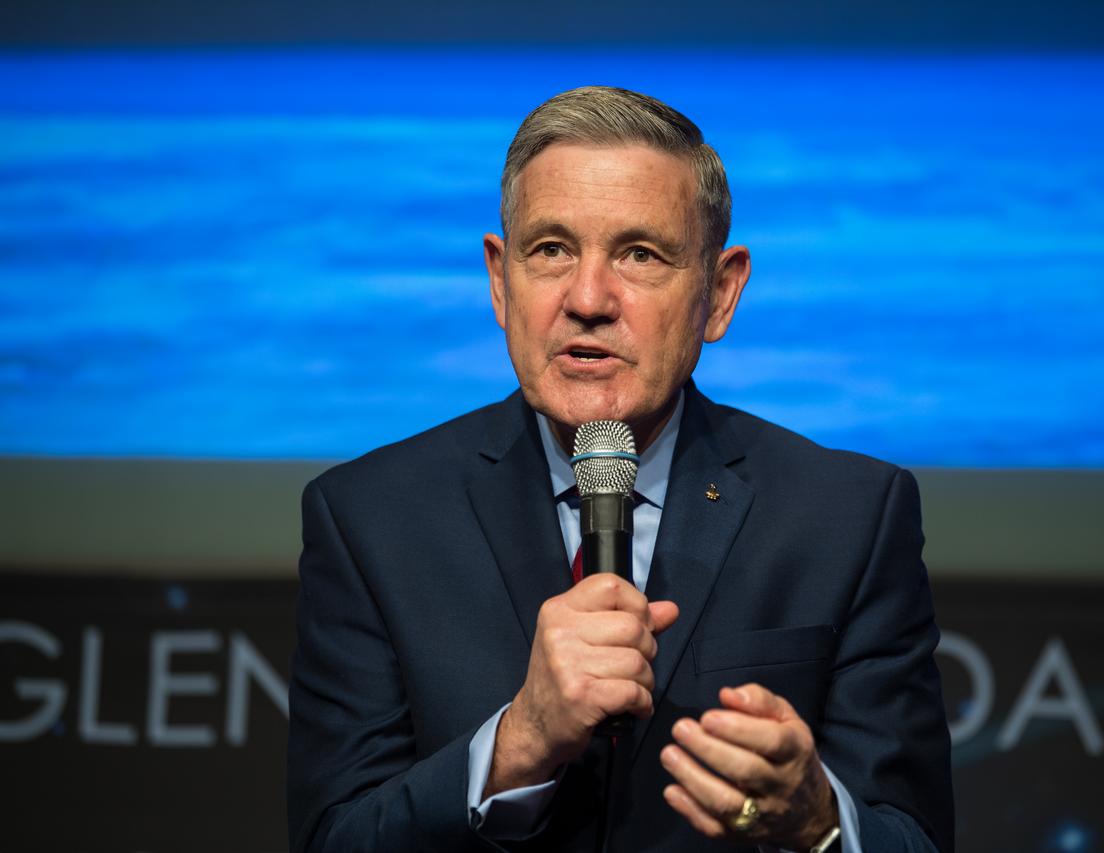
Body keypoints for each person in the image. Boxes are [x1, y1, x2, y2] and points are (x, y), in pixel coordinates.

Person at [287, 86, 953, 853]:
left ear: (720, 293)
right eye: (551, 250)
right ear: (500, 281)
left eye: (640, 253)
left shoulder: (849, 516)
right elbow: (332, 839)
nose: (588, 298)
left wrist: (818, 821)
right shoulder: (369, 518)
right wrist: (515, 744)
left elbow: (916, 837)